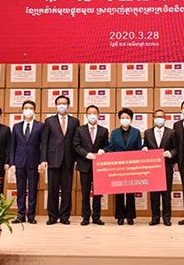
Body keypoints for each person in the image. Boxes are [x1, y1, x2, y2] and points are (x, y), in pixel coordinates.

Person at [39, 95, 79, 225]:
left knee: (67, 189)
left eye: (64, 103)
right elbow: (44, 141)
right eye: (59, 103)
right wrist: (44, 159)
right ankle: (52, 216)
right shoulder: (49, 121)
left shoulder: (74, 121)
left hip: (68, 159)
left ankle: (65, 216)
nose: (62, 105)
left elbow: (76, 142)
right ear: (56, 105)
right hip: (53, 159)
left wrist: (76, 159)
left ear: (68, 106)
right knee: (53, 189)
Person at [73, 105, 109, 225]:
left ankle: (96, 217)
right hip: (84, 164)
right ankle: (85, 217)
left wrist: (103, 150)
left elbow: (107, 145)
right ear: (86, 115)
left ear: (98, 115)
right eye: (90, 113)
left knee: (98, 192)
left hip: (99, 166)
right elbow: (76, 145)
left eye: (94, 113)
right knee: (85, 192)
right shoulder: (79, 130)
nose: (92, 115)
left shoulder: (104, 130)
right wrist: (86, 154)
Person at [9, 100, 44, 224]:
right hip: (19, 162)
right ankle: (20, 215)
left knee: (33, 190)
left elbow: (43, 145)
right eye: (26, 108)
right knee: (21, 190)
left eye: (31, 108)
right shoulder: (16, 127)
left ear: (34, 111)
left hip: (34, 162)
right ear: (22, 110)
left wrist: (42, 161)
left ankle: (31, 215)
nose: (28, 110)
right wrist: (12, 163)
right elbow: (12, 146)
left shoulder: (40, 126)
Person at [143, 109, 178, 226]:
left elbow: (176, 148)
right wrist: (144, 149)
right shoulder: (148, 133)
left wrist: (171, 154)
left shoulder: (171, 132)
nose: (159, 119)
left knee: (166, 194)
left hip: (166, 167)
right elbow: (145, 145)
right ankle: (155, 217)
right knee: (154, 195)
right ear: (153, 119)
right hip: (153, 169)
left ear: (165, 118)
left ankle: (167, 218)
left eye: (161, 117)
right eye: (157, 117)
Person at [108, 108, 142, 225]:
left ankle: (130, 216)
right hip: (118, 167)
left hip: (132, 167)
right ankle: (120, 216)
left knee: (131, 192)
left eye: (127, 118)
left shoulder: (136, 132)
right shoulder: (114, 132)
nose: (125, 120)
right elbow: (111, 149)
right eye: (122, 118)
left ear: (131, 119)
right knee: (119, 192)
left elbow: (138, 149)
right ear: (119, 119)